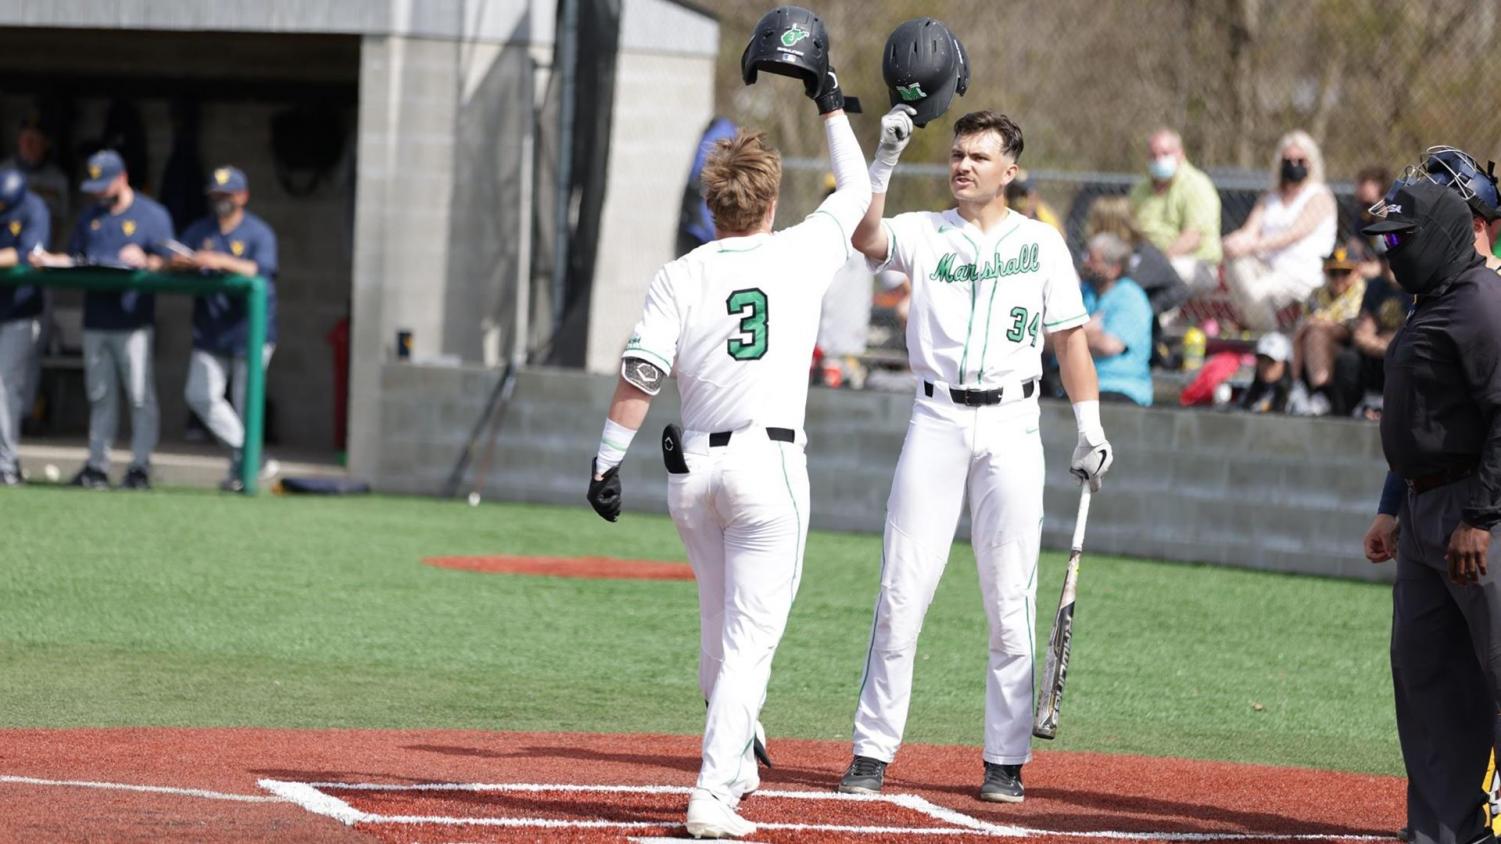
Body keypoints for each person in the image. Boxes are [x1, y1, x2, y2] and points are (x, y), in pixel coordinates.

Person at [583, 16, 870, 838]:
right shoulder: (798, 252)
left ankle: (736, 764)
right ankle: (712, 794)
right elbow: (855, 196)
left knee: (717, 631)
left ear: (710, 207)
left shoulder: (679, 272)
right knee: (749, 642)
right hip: (766, 469)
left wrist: (606, 462)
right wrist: (826, 102)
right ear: (769, 202)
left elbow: (640, 374)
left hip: (690, 474)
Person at [838, 105, 1112, 804]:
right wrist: (884, 160)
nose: (962, 165)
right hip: (934, 416)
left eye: (978, 156)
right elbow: (866, 236)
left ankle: (1003, 760)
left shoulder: (1042, 243)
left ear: (1009, 171)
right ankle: (871, 751)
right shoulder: (925, 232)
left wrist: (1090, 426)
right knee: (901, 591)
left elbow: (1070, 342)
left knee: (1009, 599)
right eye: (957, 154)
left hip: (1014, 423)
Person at [1359, 179, 1501, 844]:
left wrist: (1480, 518)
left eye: (1399, 239)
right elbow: (1421, 417)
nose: (1389, 253)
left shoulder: (1480, 306)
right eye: (1382, 242)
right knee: (1423, 675)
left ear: (1442, 233)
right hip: (1420, 514)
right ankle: (1446, 829)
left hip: (1473, 513)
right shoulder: (1432, 300)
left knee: (1496, 670)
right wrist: (1391, 508)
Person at [30, 149, 174, 490]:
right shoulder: (91, 215)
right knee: (100, 395)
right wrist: (51, 259)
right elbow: (77, 256)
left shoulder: (152, 215)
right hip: (96, 319)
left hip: (134, 320)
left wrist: (147, 260)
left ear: (122, 178)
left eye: (104, 185)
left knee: (140, 396)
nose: (98, 193)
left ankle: (140, 467)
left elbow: (171, 261)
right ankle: (97, 466)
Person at [174, 166, 278, 492]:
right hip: (211, 329)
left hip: (250, 331)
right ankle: (252, 459)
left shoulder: (258, 232)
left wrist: (220, 260)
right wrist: (181, 261)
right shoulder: (201, 229)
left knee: (247, 405)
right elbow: (177, 255)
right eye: (216, 195)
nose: (221, 200)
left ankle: (241, 471)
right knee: (199, 395)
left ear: (242, 196)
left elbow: (259, 270)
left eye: (227, 194)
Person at [1221, 130, 1338, 331]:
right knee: (1235, 260)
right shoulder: (1270, 197)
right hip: (1267, 267)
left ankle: (1267, 338)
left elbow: (1292, 235)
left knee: (1256, 294)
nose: (1293, 165)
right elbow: (1249, 231)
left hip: (1301, 273)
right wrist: (1232, 242)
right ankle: (1262, 329)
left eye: (1300, 160)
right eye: (1288, 160)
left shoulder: (1320, 197)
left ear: (1311, 162)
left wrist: (1252, 244)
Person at [0, 168, 50, 485]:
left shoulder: (33, 207)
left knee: (5, 387)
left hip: (19, 311)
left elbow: (30, 254)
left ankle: (6, 465)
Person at [1128, 128, 1222, 293]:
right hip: (1146, 259)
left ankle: (1156, 318)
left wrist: (1156, 263)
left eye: (1165, 153)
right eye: (1153, 155)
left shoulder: (1196, 185)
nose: (1159, 160)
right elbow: (1129, 230)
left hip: (1195, 263)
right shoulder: (1140, 190)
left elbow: (1192, 237)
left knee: (1161, 277)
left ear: (1180, 153)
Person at [1287, 247, 1366, 416]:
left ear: (1356, 272)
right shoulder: (1317, 294)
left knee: (1315, 332)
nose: (1339, 279)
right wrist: (1317, 323)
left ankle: (1321, 393)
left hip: (1351, 346)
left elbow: (1347, 328)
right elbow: (1302, 324)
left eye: (1345, 272)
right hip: (1319, 344)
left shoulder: (1360, 291)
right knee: (1309, 334)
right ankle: (1297, 387)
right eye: (1334, 273)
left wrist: (1317, 323)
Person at [1333, 247, 1406, 420]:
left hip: (1406, 354)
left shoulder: (1417, 286)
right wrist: (1386, 343)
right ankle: (1344, 418)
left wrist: (1386, 341)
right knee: (1347, 360)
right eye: (1382, 258)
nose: (1387, 263)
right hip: (1378, 354)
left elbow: (1413, 333)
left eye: (1391, 256)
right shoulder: (1376, 286)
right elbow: (1362, 335)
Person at [1080, 232, 1153, 405]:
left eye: (1093, 260)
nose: (1085, 263)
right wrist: (1087, 332)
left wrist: (1072, 334)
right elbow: (1043, 338)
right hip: (1077, 386)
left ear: (1115, 268)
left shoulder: (1130, 297)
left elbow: (1108, 346)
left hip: (1117, 389)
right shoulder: (1085, 293)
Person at [2, 110, 70, 249]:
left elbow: (62, 221)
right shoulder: (3, 171)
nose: (28, 145)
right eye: (24, 139)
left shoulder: (57, 178)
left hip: (43, 249)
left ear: (46, 143)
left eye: (34, 140)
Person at [1238, 331, 1293, 414]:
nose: (1265, 366)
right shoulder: (1249, 395)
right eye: (1261, 359)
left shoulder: (1295, 397)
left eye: (1271, 361)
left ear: (1285, 364)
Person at [1004, 169, 1063, 234]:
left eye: (1023, 194)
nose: (1017, 199)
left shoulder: (1043, 216)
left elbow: (1059, 236)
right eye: (1013, 192)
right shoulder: (1002, 209)